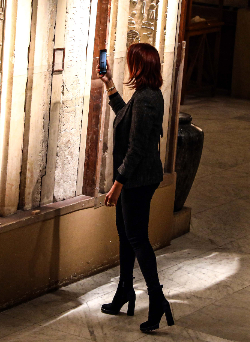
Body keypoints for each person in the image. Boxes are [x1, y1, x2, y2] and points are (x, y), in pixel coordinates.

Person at [97, 42, 174, 333]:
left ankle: (157, 300)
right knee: (126, 235)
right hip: (136, 177)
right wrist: (109, 85)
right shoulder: (146, 95)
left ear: (139, 66)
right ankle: (124, 291)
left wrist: (118, 184)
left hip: (137, 180)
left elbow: (137, 147)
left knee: (137, 238)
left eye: (131, 62)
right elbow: (125, 119)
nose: (129, 66)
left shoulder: (146, 99)